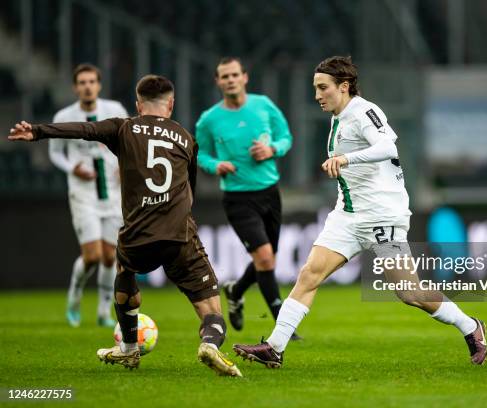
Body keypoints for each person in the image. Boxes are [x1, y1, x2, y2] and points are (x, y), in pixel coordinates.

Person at [232, 56, 487, 368]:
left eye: (323, 87)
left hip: (382, 216)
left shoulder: (364, 111)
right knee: (310, 273)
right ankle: (274, 347)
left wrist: (347, 159)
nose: (317, 95)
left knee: (410, 293)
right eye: (315, 88)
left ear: (344, 86)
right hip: (348, 216)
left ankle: (471, 326)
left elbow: (388, 147)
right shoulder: (338, 116)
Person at [9, 75, 242, 376]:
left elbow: (84, 129)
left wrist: (38, 132)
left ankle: (129, 349)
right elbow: (191, 191)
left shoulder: (123, 127)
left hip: (137, 236)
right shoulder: (186, 138)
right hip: (179, 235)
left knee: (125, 270)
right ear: (170, 104)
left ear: (137, 105)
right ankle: (210, 343)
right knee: (211, 311)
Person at [195, 57, 299, 339]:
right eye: (224, 76)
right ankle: (282, 324)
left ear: (244, 77)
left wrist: (272, 149)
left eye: (234, 75)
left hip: (269, 192)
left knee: (268, 259)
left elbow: (286, 137)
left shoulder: (263, 105)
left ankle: (236, 290)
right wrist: (215, 165)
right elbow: (200, 153)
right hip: (238, 198)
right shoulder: (209, 119)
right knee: (265, 259)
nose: (229, 80)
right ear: (217, 82)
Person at [49, 63, 128, 328]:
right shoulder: (64, 116)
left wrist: (124, 164)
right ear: (75, 87)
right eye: (82, 82)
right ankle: (74, 298)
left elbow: (129, 141)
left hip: (113, 195)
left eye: (91, 81)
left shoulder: (115, 110)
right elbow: (55, 152)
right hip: (83, 195)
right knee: (92, 255)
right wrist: (73, 168)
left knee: (110, 257)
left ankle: (104, 312)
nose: (87, 86)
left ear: (99, 85)